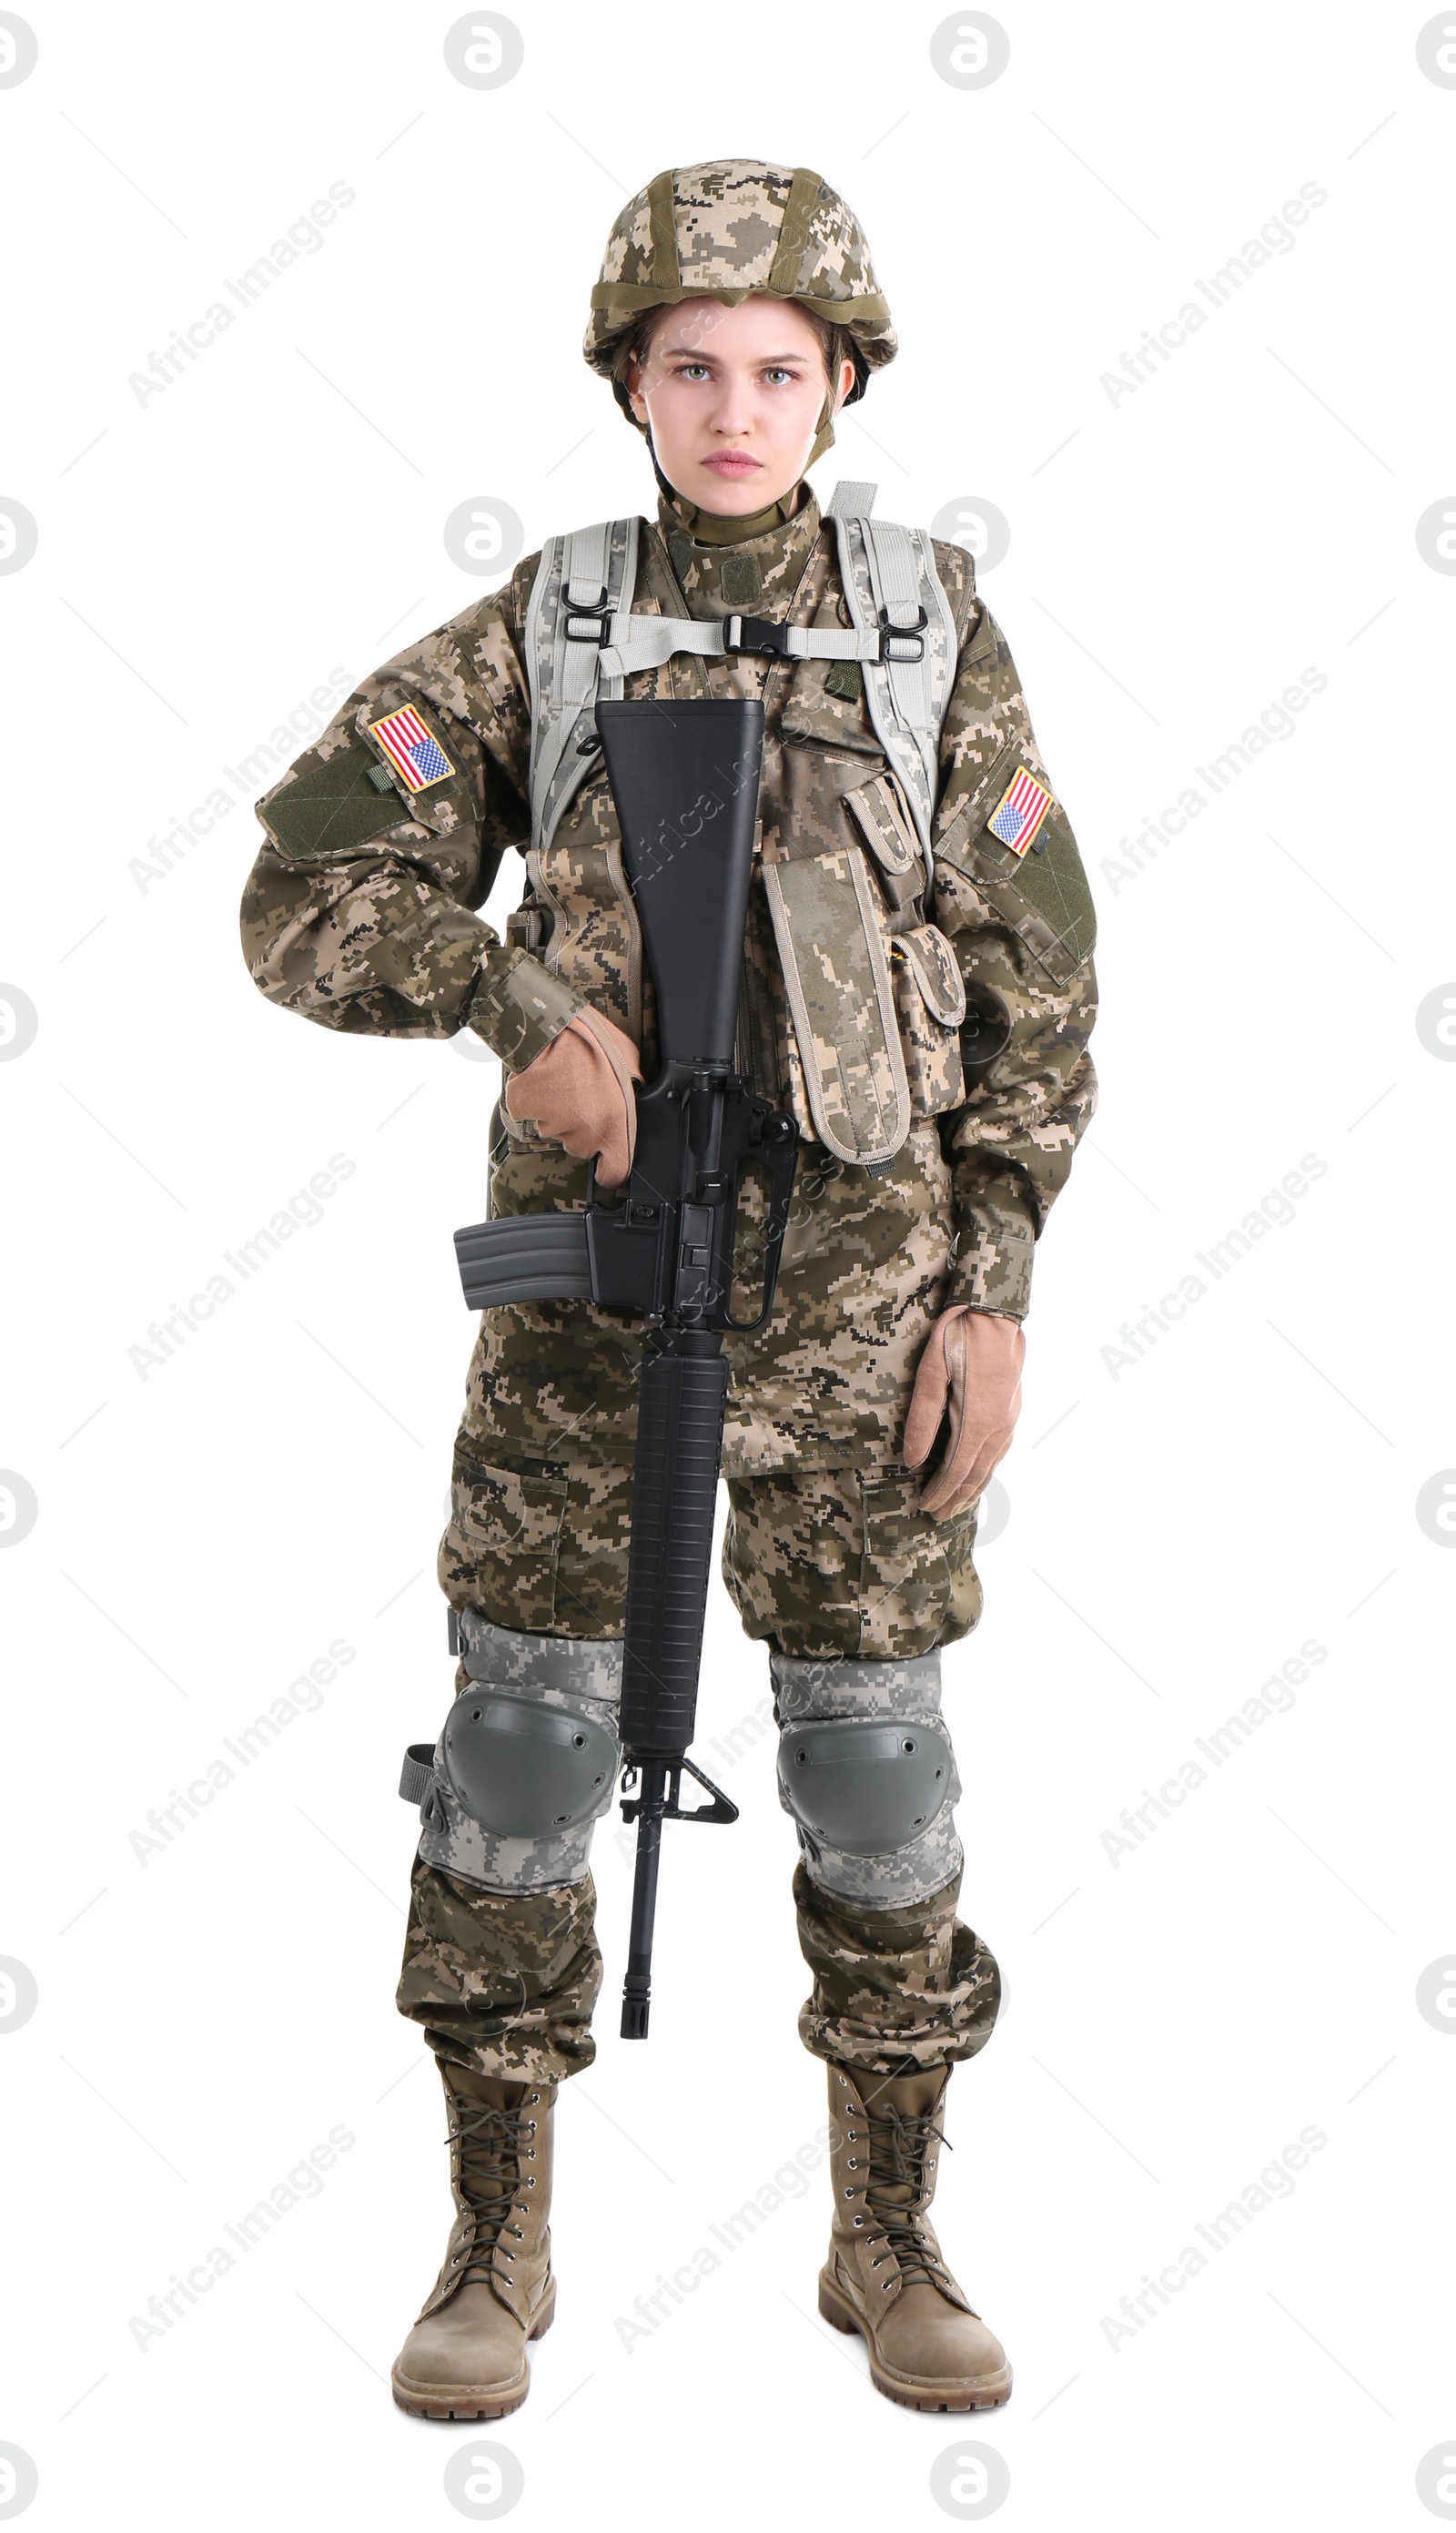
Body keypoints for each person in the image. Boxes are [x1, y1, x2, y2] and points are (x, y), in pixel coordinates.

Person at [239, 159, 1097, 2422]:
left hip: (866, 1317)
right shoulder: (549, 622)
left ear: (841, 389)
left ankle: (885, 2230)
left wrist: (989, 1286)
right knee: (518, 1753)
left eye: (779, 370)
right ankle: (489, 2237)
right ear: (628, 382)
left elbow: (1044, 988)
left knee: (880, 1775)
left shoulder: (926, 633)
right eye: (690, 365)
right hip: (592, 1308)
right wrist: (507, 997)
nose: (735, 407)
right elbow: (302, 883)